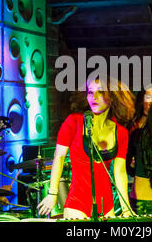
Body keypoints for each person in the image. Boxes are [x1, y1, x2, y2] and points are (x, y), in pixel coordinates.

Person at [37, 76, 135, 219]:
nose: (93, 97)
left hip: (106, 204)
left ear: (113, 96)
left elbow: (119, 171)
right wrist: (53, 193)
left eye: (100, 92)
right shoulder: (74, 122)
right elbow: (59, 158)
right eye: (90, 92)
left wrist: (126, 209)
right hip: (77, 202)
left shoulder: (120, 132)